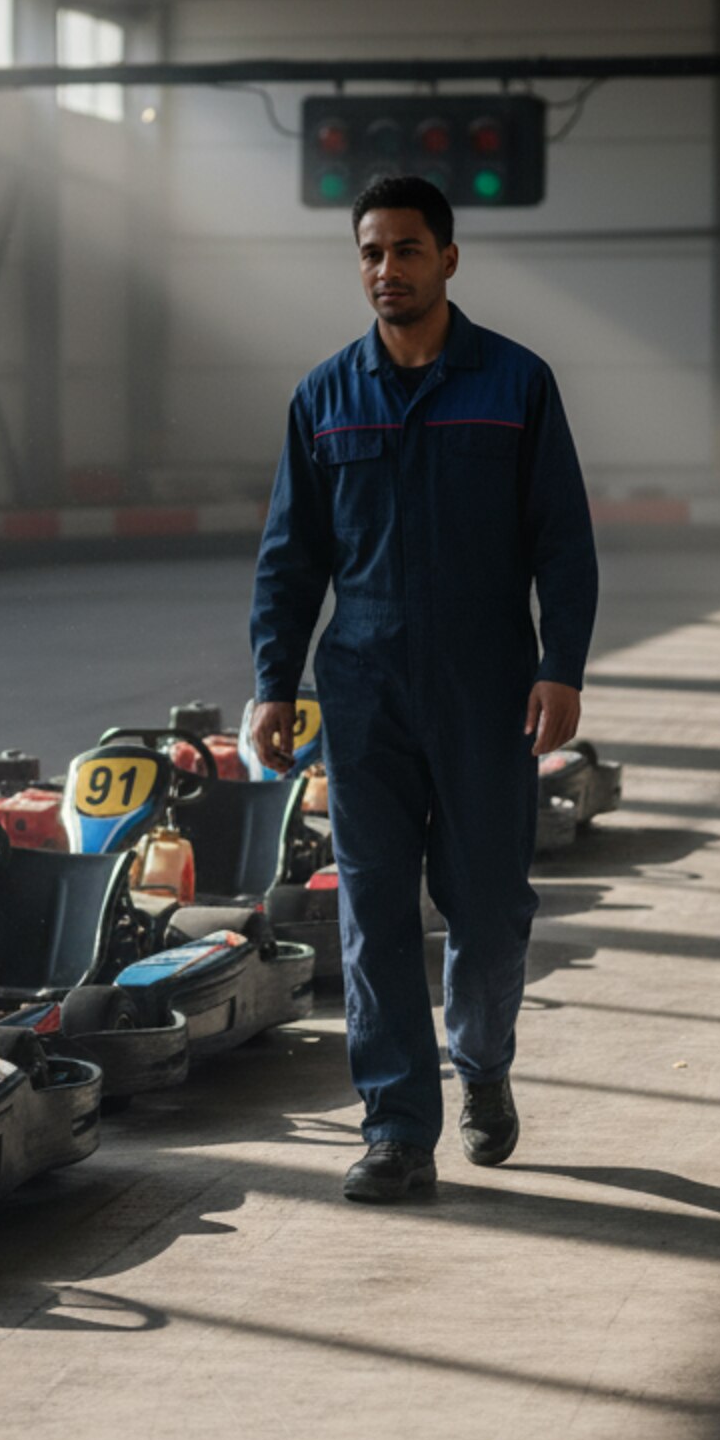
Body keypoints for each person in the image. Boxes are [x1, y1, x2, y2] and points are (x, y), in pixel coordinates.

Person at [246, 174, 598, 1203]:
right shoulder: (323, 397)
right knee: (371, 910)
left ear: (447, 258)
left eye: (405, 249)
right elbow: (288, 556)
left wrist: (559, 664)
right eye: (369, 251)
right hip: (360, 686)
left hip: (487, 681)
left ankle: (480, 1060)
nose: (385, 269)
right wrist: (273, 681)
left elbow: (562, 541)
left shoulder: (514, 384)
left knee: (489, 908)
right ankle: (396, 1126)